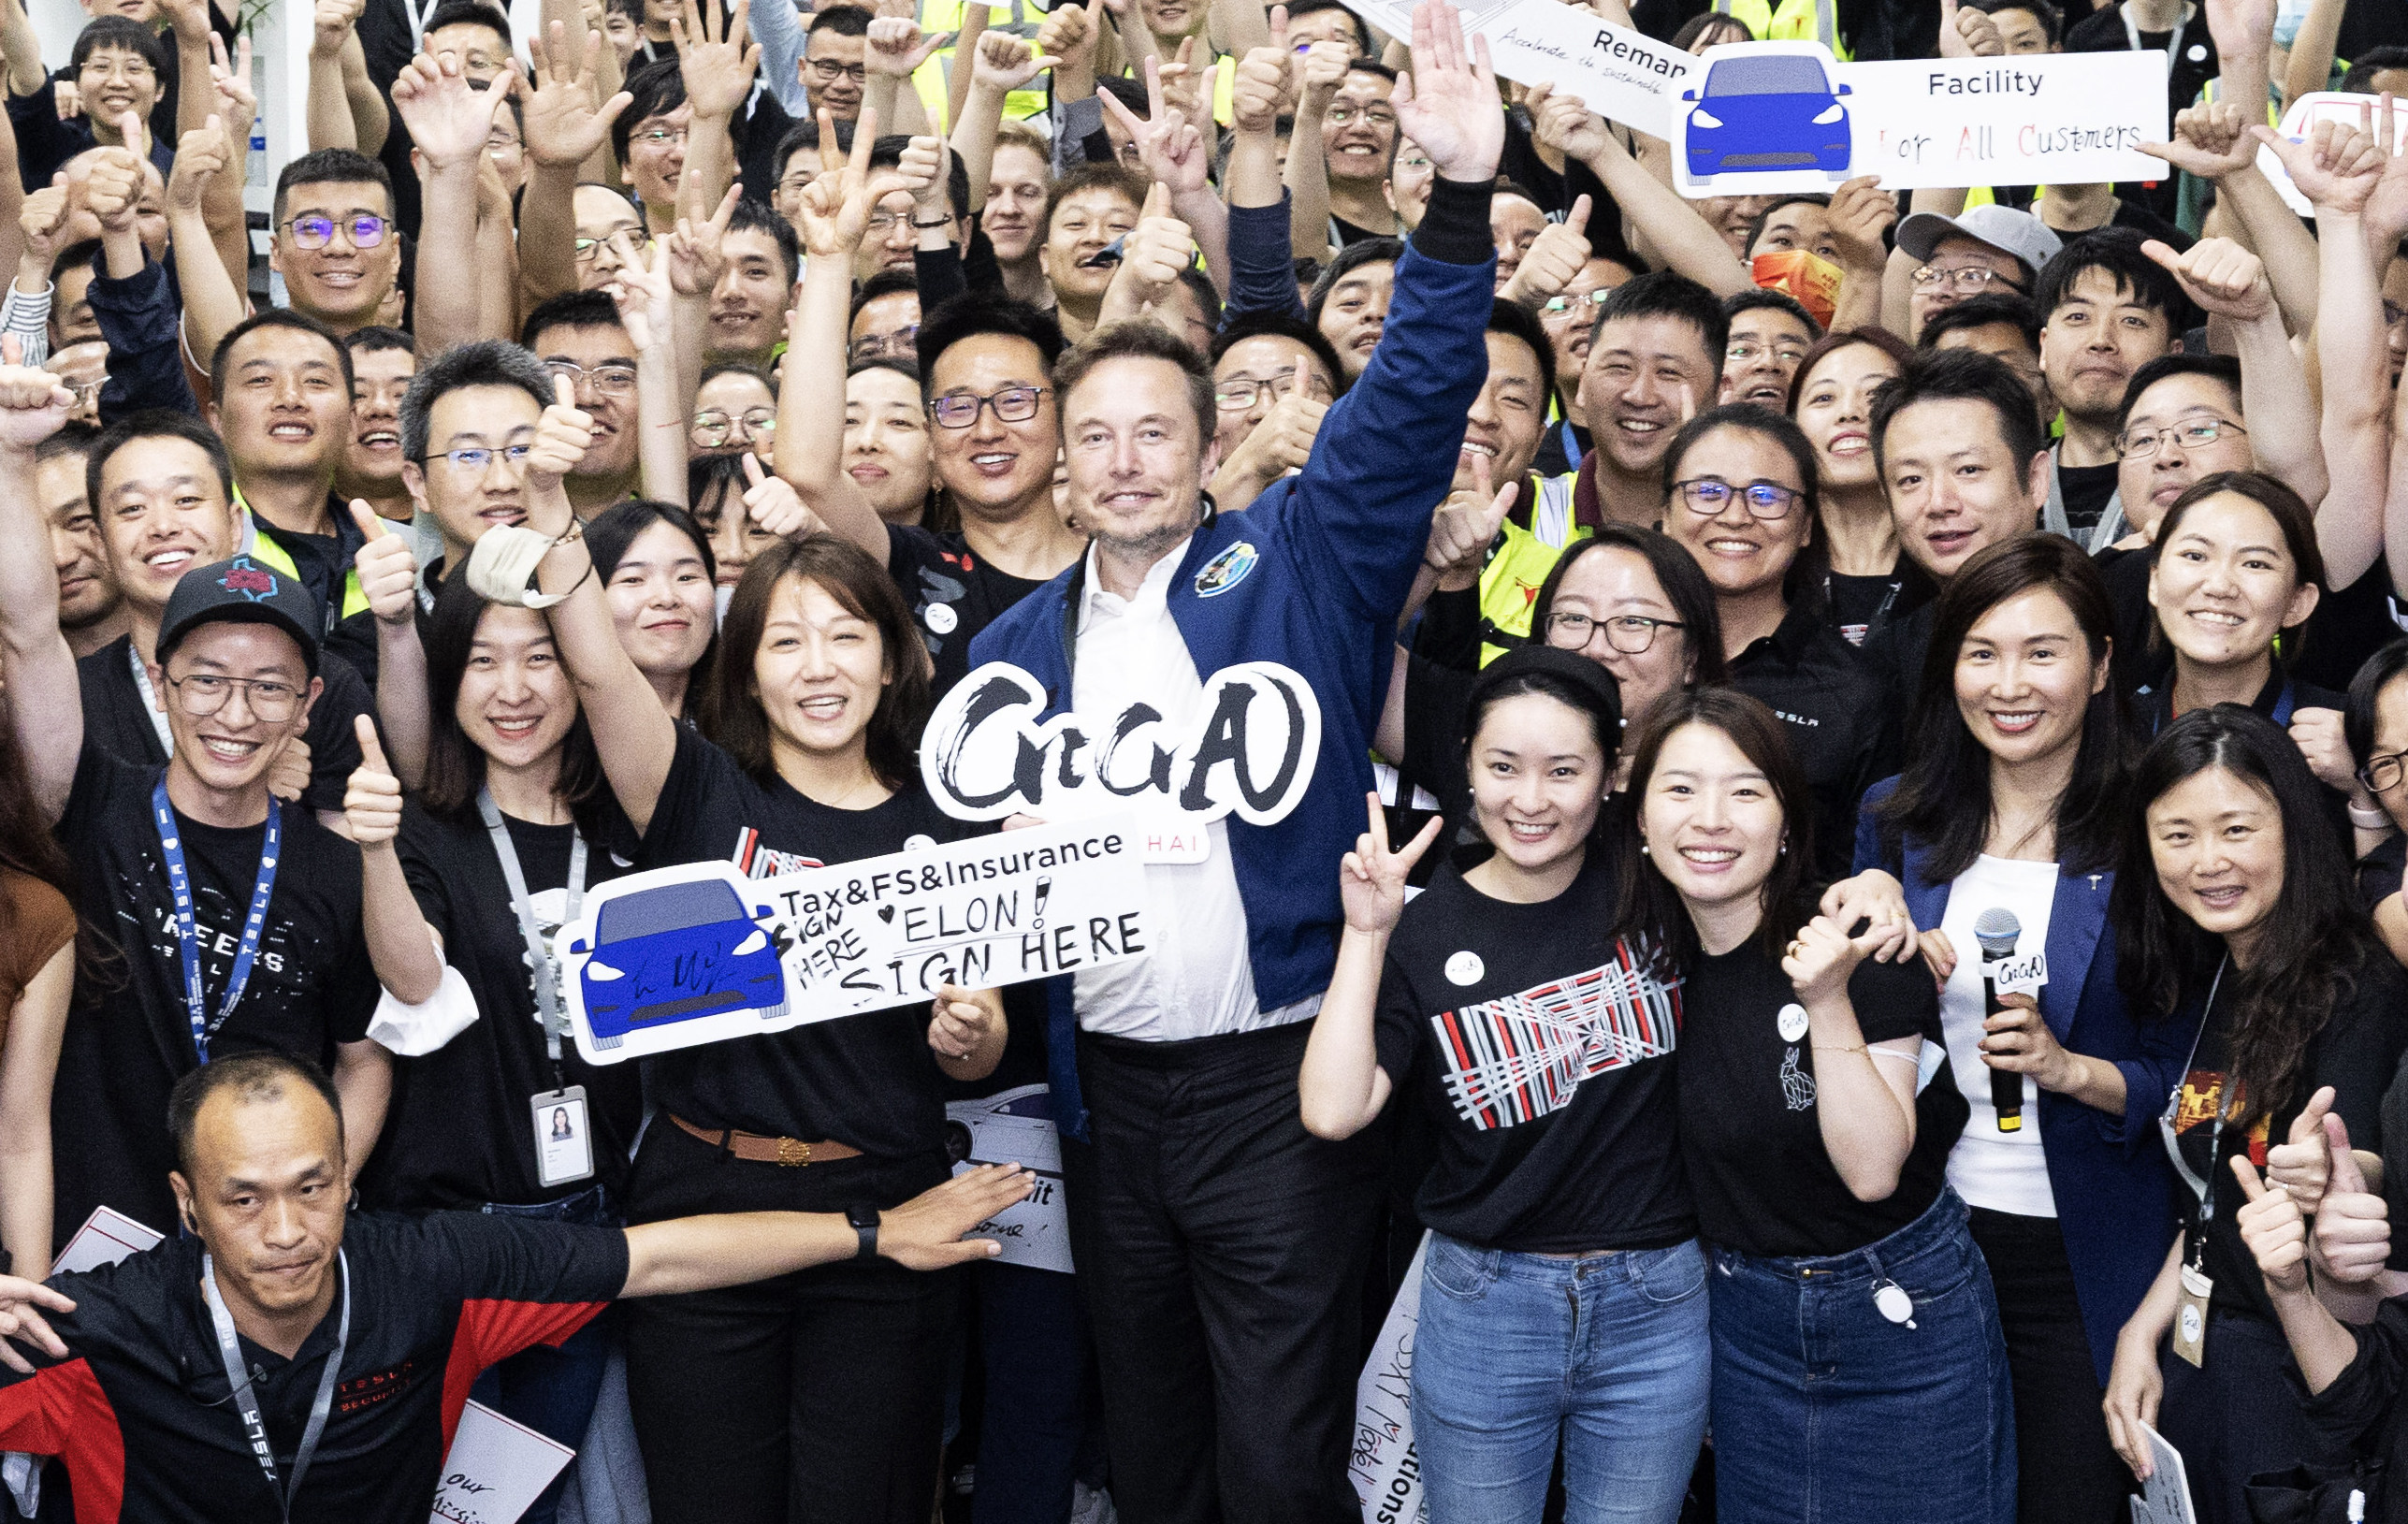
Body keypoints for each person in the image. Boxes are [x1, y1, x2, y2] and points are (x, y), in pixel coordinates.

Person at [961, 7, 1501, 1514]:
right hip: (1106, 1097)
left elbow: (1402, 410)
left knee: (1278, 1448)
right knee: (1151, 1444)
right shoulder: (1004, 658)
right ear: (1060, 471)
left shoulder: (1297, 565)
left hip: (1278, 1081)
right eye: (1096, 439)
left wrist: (1453, 205)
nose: (1125, 459)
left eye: (1157, 433)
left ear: (1209, 454)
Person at [510, 367, 1013, 1520]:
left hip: (891, 1218)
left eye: (846, 637)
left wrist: (973, 1027)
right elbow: (594, 662)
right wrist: (550, 508)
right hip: (704, 1209)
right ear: (748, 668)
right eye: (785, 642)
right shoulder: (699, 794)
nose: (819, 666)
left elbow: (975, 1056)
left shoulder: (950, 826)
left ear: (892, 660)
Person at [0, 1049, 1033, 1521]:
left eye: (313, 1188)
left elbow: (662, 1256)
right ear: (187, 1204)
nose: (285, 1232)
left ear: (350, 1178)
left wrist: (877, 1230)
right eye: (244, 1199)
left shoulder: (430, 1275)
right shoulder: (100, 1327)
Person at [1299, 647, 1705, 1523]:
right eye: (1503, 767)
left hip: (1657, 1302)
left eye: (1565, 770)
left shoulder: (1664, 888)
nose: (1531, 799)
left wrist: (1871, 888)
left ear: (1611, 775)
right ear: (1467, 769)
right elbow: (1333, 1109)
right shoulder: (1424, 924)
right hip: (1484, 1306)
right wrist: (1368, 934)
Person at [1855, 533, 2199, 1524]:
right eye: (1982, 652)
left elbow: (2200, 1074)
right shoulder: (1897, 822)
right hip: (1922, 1243)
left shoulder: (2157, 829)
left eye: (2043, 653)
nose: (2011, 684)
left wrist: (2072, 1070)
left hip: (2088, 1260)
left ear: (2100, 665)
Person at [1618, 686, 2009, 1523]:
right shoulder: (1642, 962)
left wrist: (1827, 996)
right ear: (1642, 822)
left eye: (1746, 790)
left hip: (1897, 1318)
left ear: (1788, 821)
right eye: (1680, 789)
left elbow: (1873, 1169)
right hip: (1743, 1328)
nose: (1711, 818)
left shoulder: (1862, 939)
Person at [345, 575, 643, 1524]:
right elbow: (415, 984)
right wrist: (379, 851)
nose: (511, 689)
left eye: (539, 658)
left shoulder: (630, 830)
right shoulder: (428, 830)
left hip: (585, 1229)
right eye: (482, 661)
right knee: (449, 1505)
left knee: (539, 1498)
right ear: (447, 679)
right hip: (446, 1232)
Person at [2105, 705, 2408, 1524]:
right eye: (2178, 836)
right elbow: (2219, 1186)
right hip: (2208, 1355)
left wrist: (2326, 1182)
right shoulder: (2225, 966)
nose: (2209, 862)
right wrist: (2142, 1331)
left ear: (2296, 826)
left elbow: (2361, 1173)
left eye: (2237, 828)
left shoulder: (2356, 984)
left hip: (2301, 1379)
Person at [1657, 405, 1893, 879]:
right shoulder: (1618, 650)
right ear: (1664, 513)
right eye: (1707, 491)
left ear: (1806, 526)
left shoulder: (1855, 691)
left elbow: (1865, 873)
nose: (1736, 516)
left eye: (1767, 497)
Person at [1858, 349, 2053, 718]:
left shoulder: (2115, 612)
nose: (1938, 502)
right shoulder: (1885, 661)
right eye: (1911, 479)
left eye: (1968, 469)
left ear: (2035, 479)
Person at [1789, 327, 1927, 648]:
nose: (1849, 412)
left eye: (1876, 394)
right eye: (1824, 398)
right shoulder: (1770, 570)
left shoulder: (1952, 557)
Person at [585, 500, 718, 724]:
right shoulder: (562, 736)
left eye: (686, 577)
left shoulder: (754, 721)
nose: (666, 598)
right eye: (633, 579)